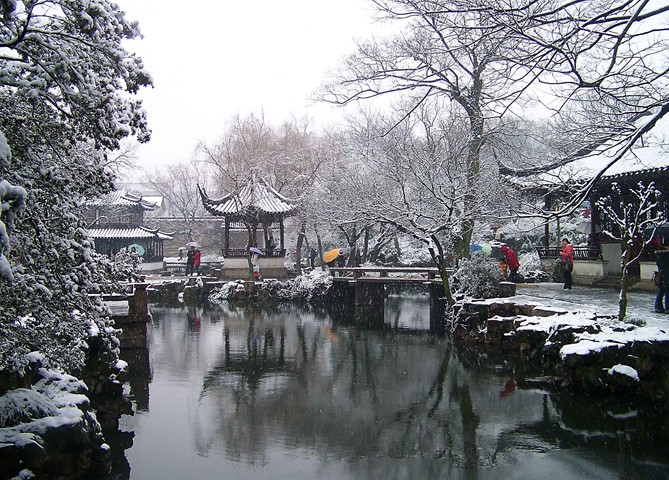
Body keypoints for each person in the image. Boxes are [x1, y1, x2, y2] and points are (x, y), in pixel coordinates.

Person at [654, 242, 669, 313]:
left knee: (661, 291)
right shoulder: (667, 255)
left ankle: (658, 307)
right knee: (668, 292)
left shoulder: (659, 255)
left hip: (661, 275)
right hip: (667, 275)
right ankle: (667, 308)